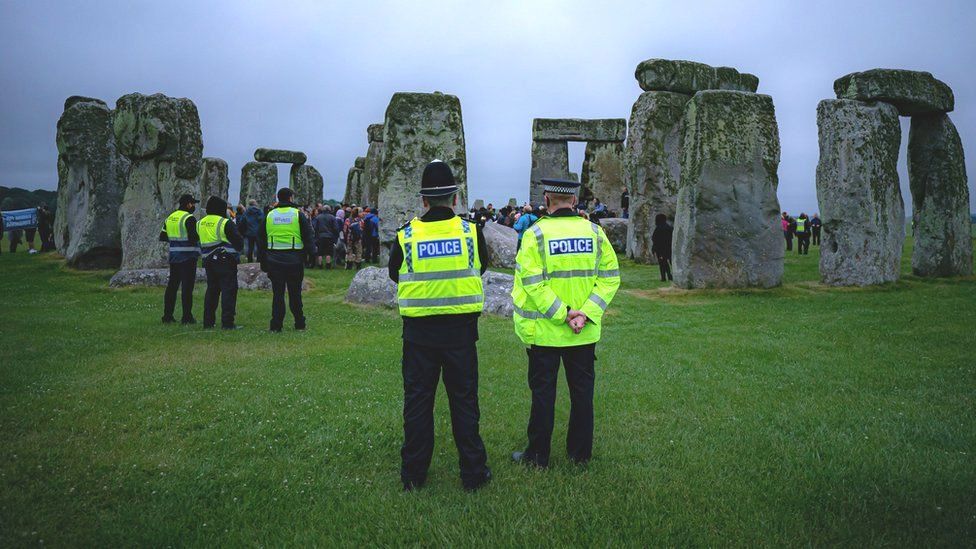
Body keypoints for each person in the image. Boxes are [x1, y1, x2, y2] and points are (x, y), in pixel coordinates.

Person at [388, 160, 492, 492]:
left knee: (418, 402)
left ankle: (414, 474)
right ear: (455, 198)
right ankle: (473, 473)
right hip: (461, 332)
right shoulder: (471, 231)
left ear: (424, 201)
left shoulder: (406, 234)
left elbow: (395, 273)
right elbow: (482, 265)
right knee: (464, 401)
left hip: (419, 333)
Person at [510, 178, 620, 468]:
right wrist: (584, 313)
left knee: (543, 396)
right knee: (582, 395)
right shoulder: (596, 233)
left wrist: (564, 313)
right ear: (573, 201)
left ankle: (537, 456)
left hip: (546, 331)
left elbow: (532, 284)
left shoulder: (535, 235)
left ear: (547, 201)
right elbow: (610, 279)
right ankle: (580, 454)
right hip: (583, 332)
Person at [258, 187, 316, 332]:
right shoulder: (297, 214)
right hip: (294, 260)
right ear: (290, 198)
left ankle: (276, 325)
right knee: (295, 294)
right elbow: (308, 236)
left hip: (274, 259)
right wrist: (311, 255)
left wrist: (263, 261)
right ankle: (299, 323)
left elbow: (261, 240)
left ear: (278, 198)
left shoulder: (269, 215)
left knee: (278, 294)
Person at [198, 196, 244, 329]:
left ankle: (208, 322)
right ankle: (227, 322)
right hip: (225, 261)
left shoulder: (200, 222)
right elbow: (239, 242)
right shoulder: (225, 222)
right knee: (228, 291)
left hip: (208, 261)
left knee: (212, 291)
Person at [159, 194, 201, 324]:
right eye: (193, 204)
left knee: (172, 286)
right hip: (188, 257)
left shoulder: (170, 217)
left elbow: (163, 236)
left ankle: (167, 316)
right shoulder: (189, 218)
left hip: (174, 256)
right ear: (188, 204)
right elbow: (194, 237)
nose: (194, 206)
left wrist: (175, 240)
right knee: (187, 288)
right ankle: (187, 316)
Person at [651, 213, 673, 282]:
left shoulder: (658, 229)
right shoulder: (669, 228)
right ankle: (670, 275)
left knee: (662, 263)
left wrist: (654, 249)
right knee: (669, 262)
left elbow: (654, 239)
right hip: (669, 248)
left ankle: (664, 277)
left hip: (660, 249)